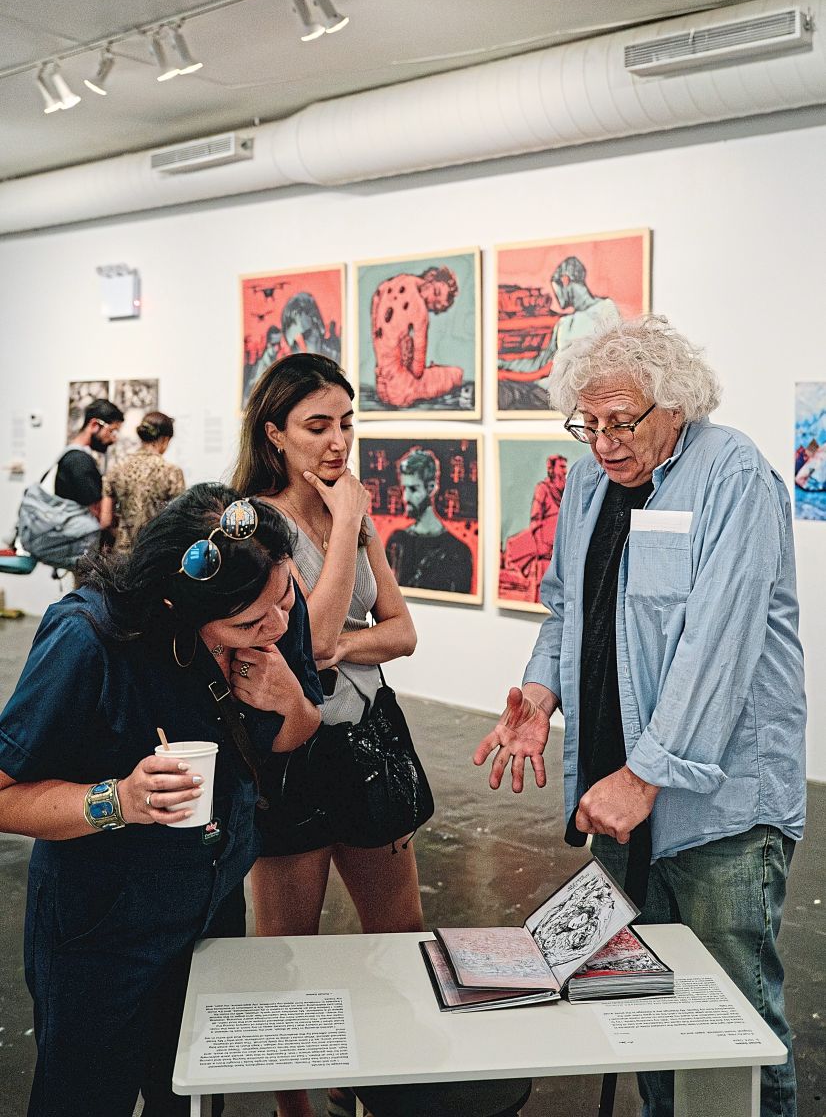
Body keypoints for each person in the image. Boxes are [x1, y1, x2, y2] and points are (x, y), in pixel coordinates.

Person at [475, 315, 806, 1117]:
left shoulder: (733, 475)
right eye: (587, 423)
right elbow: (567, 609)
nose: (603, 443)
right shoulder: (590, 484)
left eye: (621, 422)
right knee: (646, 1007)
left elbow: (717, 646)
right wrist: (540, 693)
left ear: (677, 404)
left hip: (719, 807)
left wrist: (646, 774)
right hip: (619, 794)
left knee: (733, 1023)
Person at [0, 483, 322, 1117]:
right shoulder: (90, 639)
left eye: (286, 599)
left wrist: (292, 703)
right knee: (85, 1099)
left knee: (194, 1099)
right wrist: (118, 800)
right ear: (177, 607)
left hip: (212, 911)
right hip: (102, 927)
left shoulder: (271, 598)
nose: (277, 627)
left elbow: (291, 736)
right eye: (247, 625)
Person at [232, 352, 422, 1117]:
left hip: (370, 742)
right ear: (274, 433)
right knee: (287, 949)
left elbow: (402, 632)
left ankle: (371, 1078)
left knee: (401, 932)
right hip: (290, 754)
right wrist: (344, 523)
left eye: (346, 422)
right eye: (317, 426)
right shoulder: (253, 525)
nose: (338, 441)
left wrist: (344, 643)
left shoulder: (357, 510)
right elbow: (305, 643)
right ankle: (295, 1108)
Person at [370, 266, 464, 408]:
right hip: (402, 390)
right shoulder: (420, 312)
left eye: (436, 305)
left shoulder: (388, 285)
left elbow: (377, 334)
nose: (431, 300)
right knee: (455, 374)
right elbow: (418, 370)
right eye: (436, 292)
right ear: (431, 277)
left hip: (381, 386)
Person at [386, 447, 473, 593]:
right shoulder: (397, 542)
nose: (405, 498)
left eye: (413, 489)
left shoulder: (457, 552)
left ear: (431, 488)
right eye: (404, 489)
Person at [101, 411, 186, 553]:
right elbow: (179, 521)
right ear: (165, 439)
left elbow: (105, 521)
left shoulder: (116, 469)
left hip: (122, 553)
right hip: (154, 552)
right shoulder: (172, 472)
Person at [56, 396, 124, 526]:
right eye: (111, 431)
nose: (113, 439)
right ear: (94, 425)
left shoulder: (73, 456)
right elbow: (100, 516)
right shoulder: (79, 461)